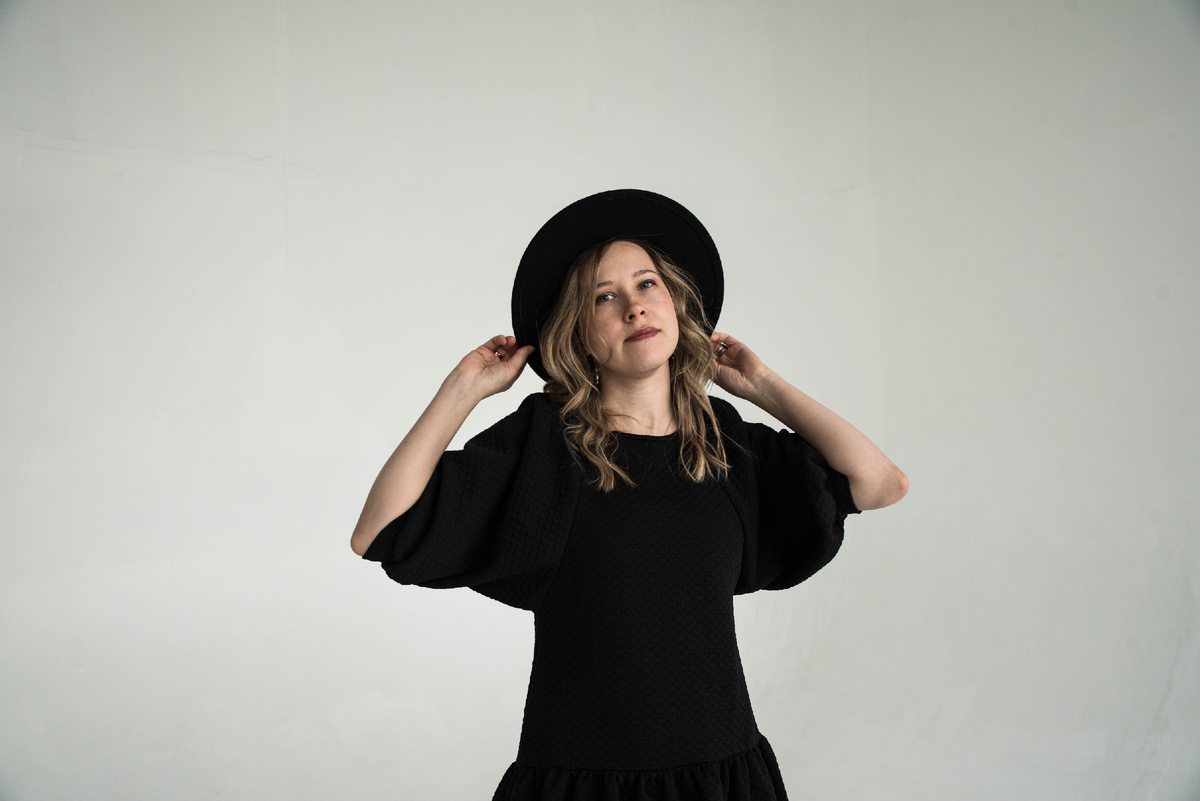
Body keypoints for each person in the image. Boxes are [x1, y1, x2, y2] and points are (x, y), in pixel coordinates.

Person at [350, 189, 908, 800]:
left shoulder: (723, 445)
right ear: (580, 333)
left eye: (646, 285)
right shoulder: (546, 446)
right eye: (604, 297)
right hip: (581, 784)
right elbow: (380, 532)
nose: (634, 306)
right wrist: (461, 390)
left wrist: (761, 385)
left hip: (722, 780)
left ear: (676, 303)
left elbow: (880, 483)